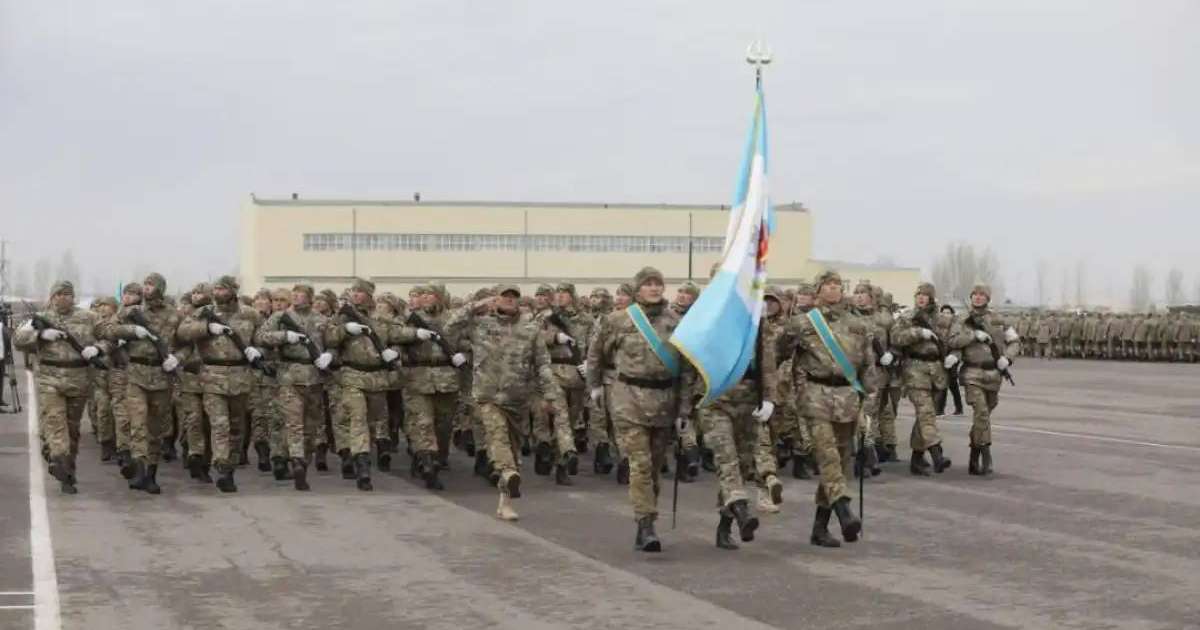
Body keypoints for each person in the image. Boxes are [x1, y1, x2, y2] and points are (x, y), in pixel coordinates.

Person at [587, 267, 697, 552]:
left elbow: (686, 369)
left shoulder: (676, 322)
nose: (654, 288)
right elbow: (596, 354)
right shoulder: (617, 320)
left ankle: (644, 520)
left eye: (658, 283)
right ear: (637, 290)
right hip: (629, 399)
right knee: (640, 464)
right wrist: (595, 386)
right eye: (648, 284)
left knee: (656, 465)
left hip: (664, 400)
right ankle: (646, 524)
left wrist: (685, 410)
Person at [445, 284, 567, 521]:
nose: (510, 300)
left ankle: (505, 503)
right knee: (497, 435)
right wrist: (475, 306)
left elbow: (542, 364)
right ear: (495, 299)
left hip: (517, 398)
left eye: (514, 297)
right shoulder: (481, 325)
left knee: (513, 449)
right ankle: (508, 471)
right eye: (505, 296)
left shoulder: (530, 330)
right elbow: (449, 328)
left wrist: (551, 394)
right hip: (487, 396)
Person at [783, 270, 875, 548]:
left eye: (837, 285)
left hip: (847, 398)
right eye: (828, 285)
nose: (833, 290)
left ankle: (820, 528)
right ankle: (844, 510)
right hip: (816, 396)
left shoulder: (858, 325)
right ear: (819, 290)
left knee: (842, 460)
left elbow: (867, 366)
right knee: (827, 456)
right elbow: (776, 352)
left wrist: (868, 401)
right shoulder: (802, 323)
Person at [176, 275, 264, 493]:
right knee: (219, 423)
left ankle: (230, 468)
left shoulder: (250, 314)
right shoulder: (203, 313)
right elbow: (182, 332)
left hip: (240, 375)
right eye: (216, 288)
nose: (218, 292)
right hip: (212, 376)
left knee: (237, 426)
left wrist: (259, 351)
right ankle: (221, 463)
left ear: (233, 290)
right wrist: (207, 328)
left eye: (223, 289)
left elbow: (264, 339)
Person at [13, 281, 103, 494]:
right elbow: (18, 340)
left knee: (72, 429)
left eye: (67, 294)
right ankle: (58, 458)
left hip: (78, 379)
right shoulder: (39, 318)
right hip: (49, 379)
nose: (63, 298)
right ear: (52, 297)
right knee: (55, 422)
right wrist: (40, 335)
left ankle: (67, 472)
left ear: (74, 297)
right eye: (59, 294)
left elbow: (109, 337)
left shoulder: (89, 318)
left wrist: (97, 349)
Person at [99, 273, 182, 494]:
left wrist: (177, 358)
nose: (146, 288)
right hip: (135, 374)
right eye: (145, 284)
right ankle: (139, 470)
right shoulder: (131, 312)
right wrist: (131, 330)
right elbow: (106, 330)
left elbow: (187, 343)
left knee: (156, 428)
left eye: (151, 284)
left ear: (161, 288)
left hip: (161, 376)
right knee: (138, 422)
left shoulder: (174, 315)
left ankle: (151, 474)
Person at [254, 284, 333, 490]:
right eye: (294, 294)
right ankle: (297, 461)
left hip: (314, 378)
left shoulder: (322, 320)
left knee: (310, 426)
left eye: (301, 294)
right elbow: (261, 336)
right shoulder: (280, 317)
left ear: (310, 297)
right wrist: (284, 336)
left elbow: (334, 343)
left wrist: (330, 356)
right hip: (288, 375)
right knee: (293, 422)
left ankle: (303, 459)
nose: (297, 297)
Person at [323, 278, 399, 491]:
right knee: (357, 418)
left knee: (373, 421)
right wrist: (345, 329)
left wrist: (397, 352)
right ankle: (362, 464)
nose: (355, 294)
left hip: (377, 379)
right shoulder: (342, 316)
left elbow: (398, 337)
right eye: (353, 291)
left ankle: (362, 452)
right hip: (352, 376)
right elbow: (328, 338)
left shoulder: (382, 318)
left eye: (359, 291)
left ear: (368, 294)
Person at [948, 284, 1020, 475]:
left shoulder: (998, 319)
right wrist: (972, 336)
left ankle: (974, 455)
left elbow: (1014, 341)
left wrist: (1008, 358)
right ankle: (986, 454)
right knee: (980, 413)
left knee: (984, 417)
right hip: (972, 373)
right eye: (975, 295)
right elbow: (952, 341)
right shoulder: (962, 320)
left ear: (988, 298)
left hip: (993, 374)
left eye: (982, 295)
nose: (978, 298)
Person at [891, 283, 953, 476]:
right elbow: (896, 338)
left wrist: (954, 356)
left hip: (937, 370)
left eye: (925, 295)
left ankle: (917, 459)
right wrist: (918, 333)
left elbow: (953, 338)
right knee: (925, 412)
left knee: (925, 416)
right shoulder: (907, 317)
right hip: (914, 369)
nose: (921, 298)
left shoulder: (942, 319)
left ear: (932, 298)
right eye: (918, 294)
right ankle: (937, 455)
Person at [935, 304, 964, 416]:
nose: (945, 315)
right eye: (943, 312)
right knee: (943, 381)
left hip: (953, 356)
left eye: (948, 313)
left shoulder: (956, 327)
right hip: (942, 356)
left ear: (952, 314)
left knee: (952, 383)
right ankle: (940, 408)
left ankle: (958, 407)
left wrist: (954, 356)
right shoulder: (938, 326)